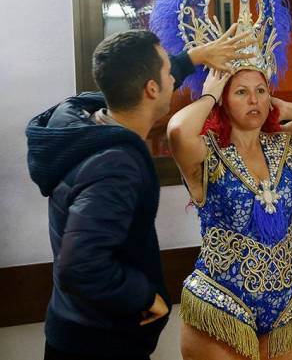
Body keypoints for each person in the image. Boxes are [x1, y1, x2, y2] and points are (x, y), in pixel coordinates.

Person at [25, 27, 248, 360]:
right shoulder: (115, 165)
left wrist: (192, 58)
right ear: (151, 88)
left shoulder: (84, 122)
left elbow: (135, 77)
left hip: (78, 328)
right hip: (99, 344)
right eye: (167, 71)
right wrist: (144, 296)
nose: (174, 77)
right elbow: (81, 265)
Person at [167, 67, 292, 360]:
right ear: (223, 101)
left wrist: (291, 109)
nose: (254, 100)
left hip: (287, 298)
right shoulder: (205, 153)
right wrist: (210, 93)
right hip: (222, 300)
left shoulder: (285, 147)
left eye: (261, 91)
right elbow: (177, 131)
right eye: (241, 92)